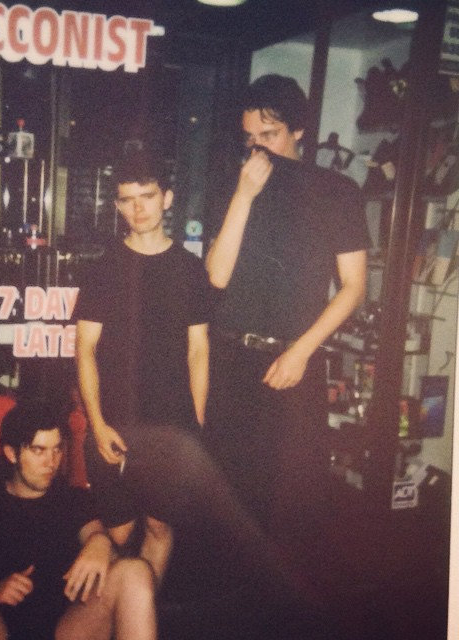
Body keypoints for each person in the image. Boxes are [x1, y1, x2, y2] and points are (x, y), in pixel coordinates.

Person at [205, 74, 370, 541]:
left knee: (289, 505)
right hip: (231, 356)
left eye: (270, 134)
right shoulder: (237, 184)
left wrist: (301, 351)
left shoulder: (337, 191)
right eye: (250, 138)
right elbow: (216, 277)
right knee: (225, 500)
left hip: (294, 359)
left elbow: (354, 287)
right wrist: (243, 196)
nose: (258, 148)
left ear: (298, 130)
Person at [74, 149, 211, 584]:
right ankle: (110, 612)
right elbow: (85, 350)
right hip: (115, 420)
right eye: (127, 200)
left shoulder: (190, 269)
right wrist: (97, 424)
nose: (138, 209)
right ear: (117, 205)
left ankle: (141, 613)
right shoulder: (103, 268)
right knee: (115, 534)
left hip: (170, 424)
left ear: (166, 198)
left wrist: (196, 426)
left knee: (158, 527)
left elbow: (198, 350)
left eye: (147, 196)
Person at [0, 401, 157, 640]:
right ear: (11, 453)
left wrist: (100, 541)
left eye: (57, 449)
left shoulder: (74, 499)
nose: (51, 462)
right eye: (38, 450)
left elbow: (96, 536)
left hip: (67, 627)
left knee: (135, 571)